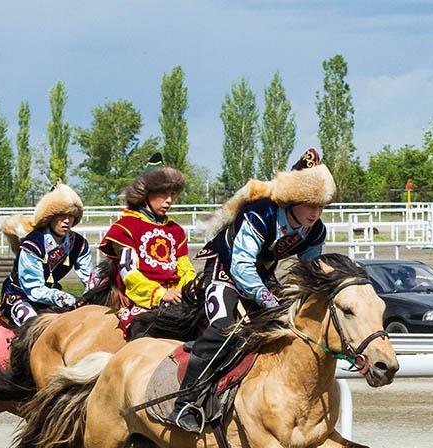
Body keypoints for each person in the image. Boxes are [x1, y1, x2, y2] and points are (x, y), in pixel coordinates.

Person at [163, 148, 337, 432]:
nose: (315, 213)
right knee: (223, 331)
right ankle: (185, 404)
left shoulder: (316, 231)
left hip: (261, 277)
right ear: (292, 200)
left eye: (320, 206)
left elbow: (311, 273)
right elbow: (242, 267)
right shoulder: (259, 213)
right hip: (224, 273)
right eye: (309, 204)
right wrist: (269, 299)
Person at [99, 152, 196, 332]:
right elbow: (129, 273)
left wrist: (184, 290)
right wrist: (161, 294)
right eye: (163, 193)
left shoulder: (176, 231)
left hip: (177, 299)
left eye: (172, 194)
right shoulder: (125, 227)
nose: (169, 200)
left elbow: (186, 268)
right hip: (141, 302)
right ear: (145, 194)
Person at [0, 182, 94, 328]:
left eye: (71, 215)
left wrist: (92, 297)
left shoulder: (80, 244)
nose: (67, 220)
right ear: (50, 217)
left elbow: (90, 279)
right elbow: (34, 289)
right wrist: (67, 298)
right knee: (32, 327)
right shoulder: (32, 244)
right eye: (61, 215)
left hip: (51, 297)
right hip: (19, 297)